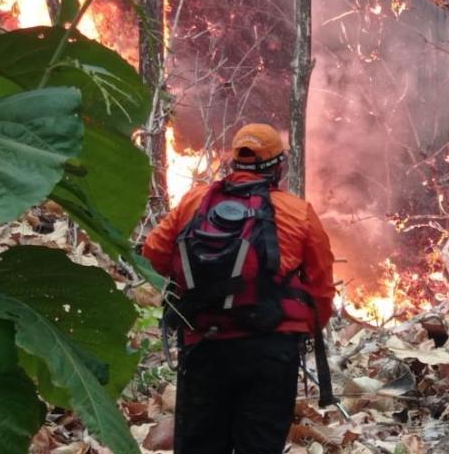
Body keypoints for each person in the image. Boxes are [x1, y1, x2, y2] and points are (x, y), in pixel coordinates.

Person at [142, 123, 336, 454]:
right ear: (278, 166)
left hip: (203, 346)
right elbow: (321, 290)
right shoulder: (297, 212)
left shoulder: (194, 202)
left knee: (200, 445)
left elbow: (151, 257)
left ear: (233, 162)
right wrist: (303, 330)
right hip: (271, 351)